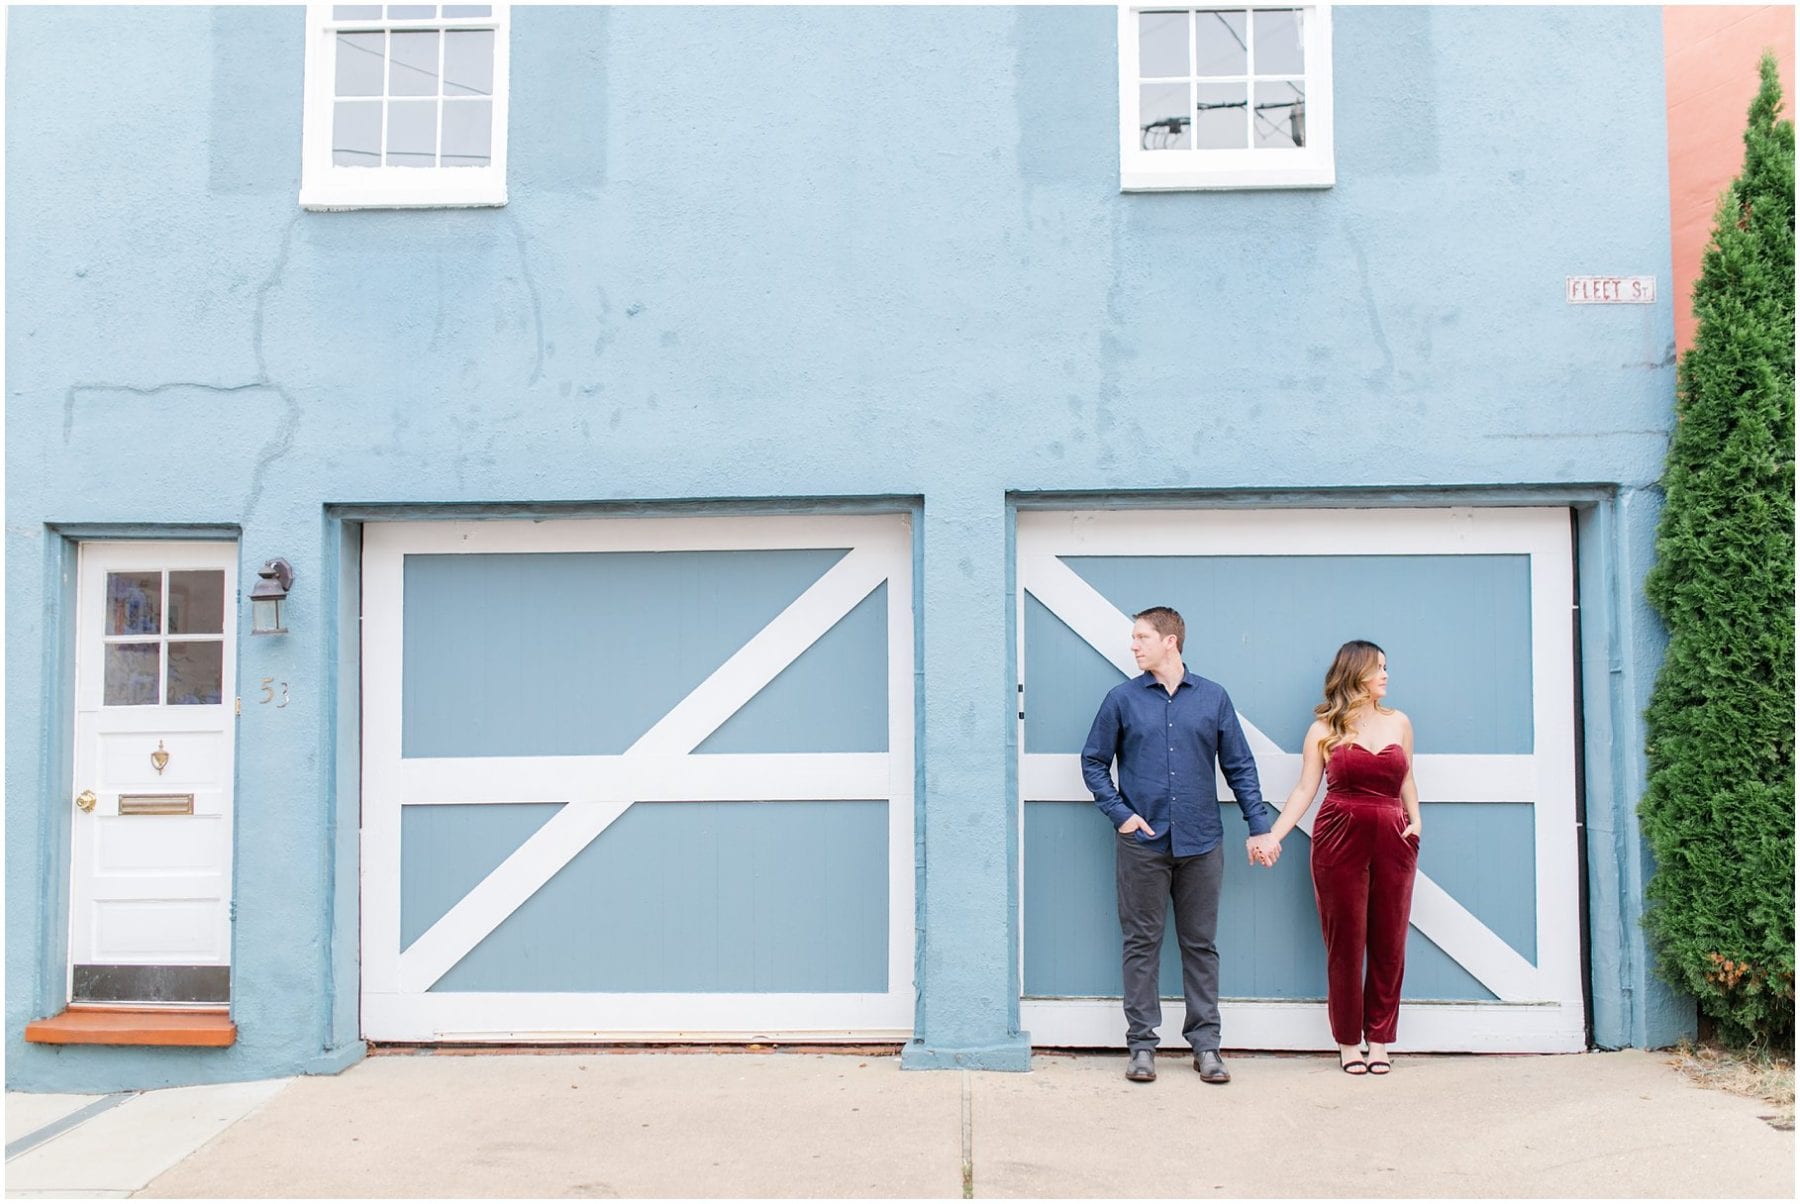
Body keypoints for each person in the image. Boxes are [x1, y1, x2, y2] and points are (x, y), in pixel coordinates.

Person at [1081, 606, 1280, 1085]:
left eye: (1142, 637)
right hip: (1143, 844)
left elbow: (1240, 767)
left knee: (1200, 945)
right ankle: (1142, 1046)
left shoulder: (1212, 698)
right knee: (1141, 943)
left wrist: (1258, 826)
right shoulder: (1122, 700)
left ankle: (1207, 1046)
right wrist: (1121, 815)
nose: (1134, 645)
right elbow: (1093, 762)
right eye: (1134, 637)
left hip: (1201, 842)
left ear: (1170, 641)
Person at [1263, 639, 1421, 1075]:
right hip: (1337, 837)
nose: (1386, 675)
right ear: (1356, 673)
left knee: (1390, 942)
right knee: (1345, 943)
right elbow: (1304, 790)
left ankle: (1380, 1040)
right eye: (1379, 668)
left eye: (1387, 667)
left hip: (1393, 836)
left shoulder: (1400, 723)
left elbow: (1407, 776)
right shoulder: (1323, 729)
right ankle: (1348, 1040)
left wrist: (1416, 821)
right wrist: (1275, 834)